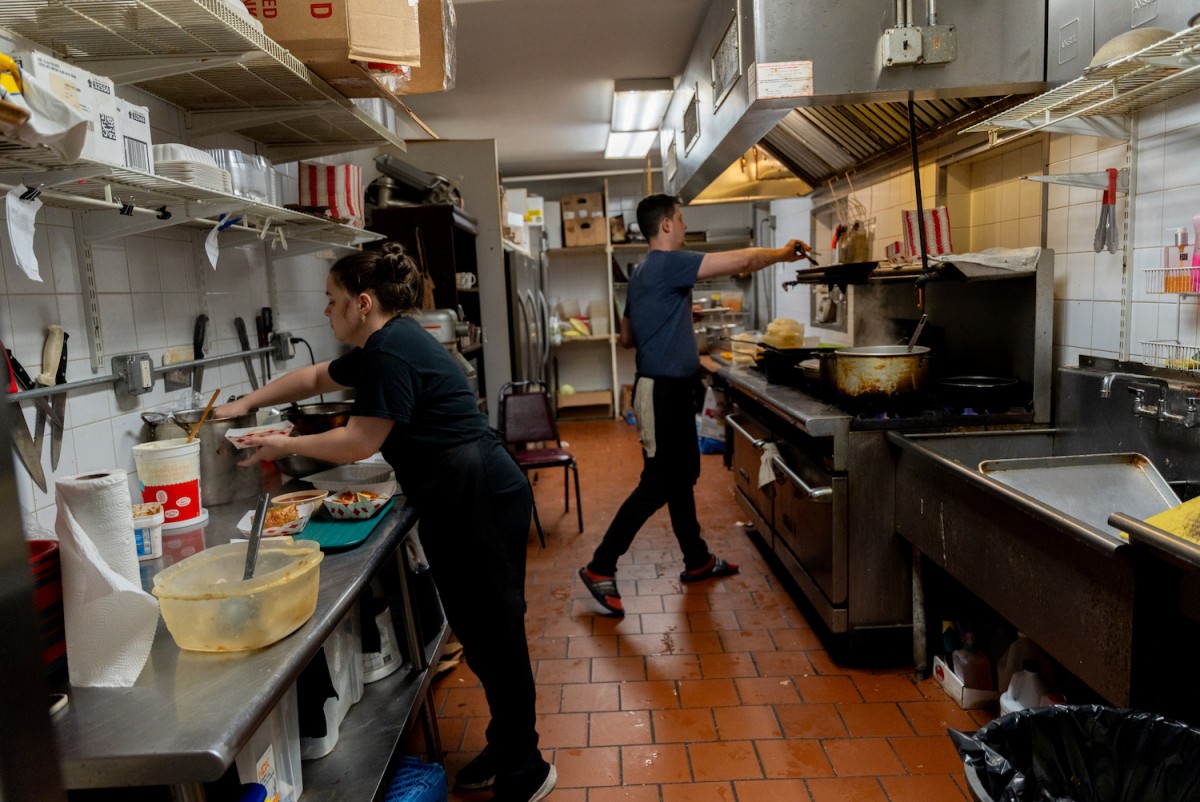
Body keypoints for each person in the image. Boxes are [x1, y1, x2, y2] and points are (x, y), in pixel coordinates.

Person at [213, 243, 555, 802]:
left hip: (480, 494)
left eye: (332, 301)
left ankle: (528, 768)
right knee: (477, 629)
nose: (327, 311)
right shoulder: (384, 345)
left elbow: (359, 441)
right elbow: (315, 377)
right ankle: (509, 742)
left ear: (362, 303)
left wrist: (281, 441)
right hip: (453, 494)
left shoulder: (392, 350)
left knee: (497, 633)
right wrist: (242, 405)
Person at [578, 194, 811, 616]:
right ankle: (600, 566)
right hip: (661, 392)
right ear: (666, 225)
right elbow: (740, 262)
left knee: (682, 475)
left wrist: (671, 319)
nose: (684, 227)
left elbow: (627, 337)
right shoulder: (668, 263)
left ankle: (697, 559)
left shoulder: (642, 272)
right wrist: (781, 252)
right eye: (681, 220)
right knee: (658, 483)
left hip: (667, 388)